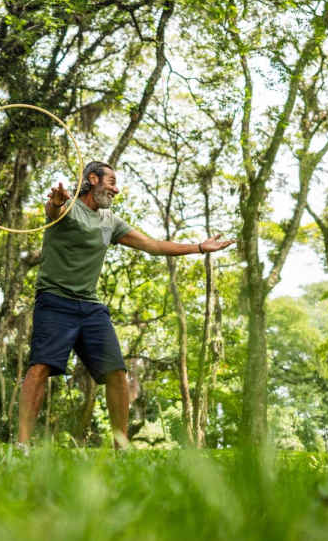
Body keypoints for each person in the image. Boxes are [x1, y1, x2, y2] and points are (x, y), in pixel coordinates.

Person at [18, 161, 234, 447]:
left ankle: (121, 447)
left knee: (116, 372)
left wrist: (198, 248)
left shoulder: (110, 221)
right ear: (92, 179)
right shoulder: (68, 207)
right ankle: (22, 444)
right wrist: (56, 203)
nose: (116, 189)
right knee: (40, 367)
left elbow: (153, 246)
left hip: (90, 306)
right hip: (55, 300)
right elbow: (53, 210)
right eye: (111, 181)